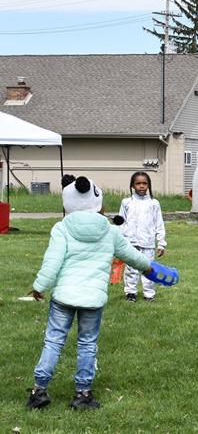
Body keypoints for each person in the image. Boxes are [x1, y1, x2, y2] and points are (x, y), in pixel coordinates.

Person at [26, 175, 153, 410]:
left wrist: (39, 286)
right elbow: (129, 254)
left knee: (53, 341)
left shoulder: (62, 228)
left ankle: (38, 391)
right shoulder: (109, 230)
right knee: (87, 344)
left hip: (63, 297)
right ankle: (83, 395)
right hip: (92, 299)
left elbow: (52, 261)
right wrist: (148, 267)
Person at [119, 171, 167, 302]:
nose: (141, 186)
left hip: (148, 242)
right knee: (131, 269)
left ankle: (149, 294)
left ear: (149, 185)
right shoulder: (126, 202)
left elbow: (159, 224)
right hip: (130, 242)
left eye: (144, 183)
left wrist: (161, 243)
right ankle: (130, 293)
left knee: (148, 268)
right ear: (132, 185)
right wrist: (119, 241)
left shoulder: (153, 203)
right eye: (138, 183)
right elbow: (121, 223)